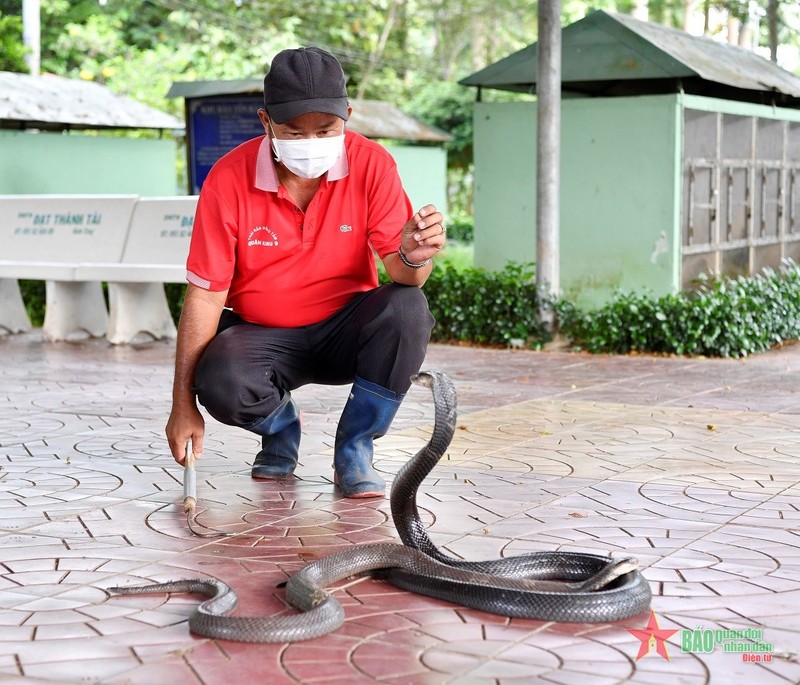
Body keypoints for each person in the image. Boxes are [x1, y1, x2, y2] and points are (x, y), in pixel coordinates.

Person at [165, 46, 446, 498]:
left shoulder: (373, 164)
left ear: (347, 116)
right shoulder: (228, 178)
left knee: (408, 308)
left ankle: (355, 448)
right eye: (294, 133)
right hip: (265, 339)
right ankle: (279, 431)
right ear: (265, 122)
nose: (312, 143)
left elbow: (405, 275)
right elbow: (205, 295)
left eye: (326, 130)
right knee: (220, 376)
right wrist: (183, 404)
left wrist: (413, 255)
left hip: (345, 333)